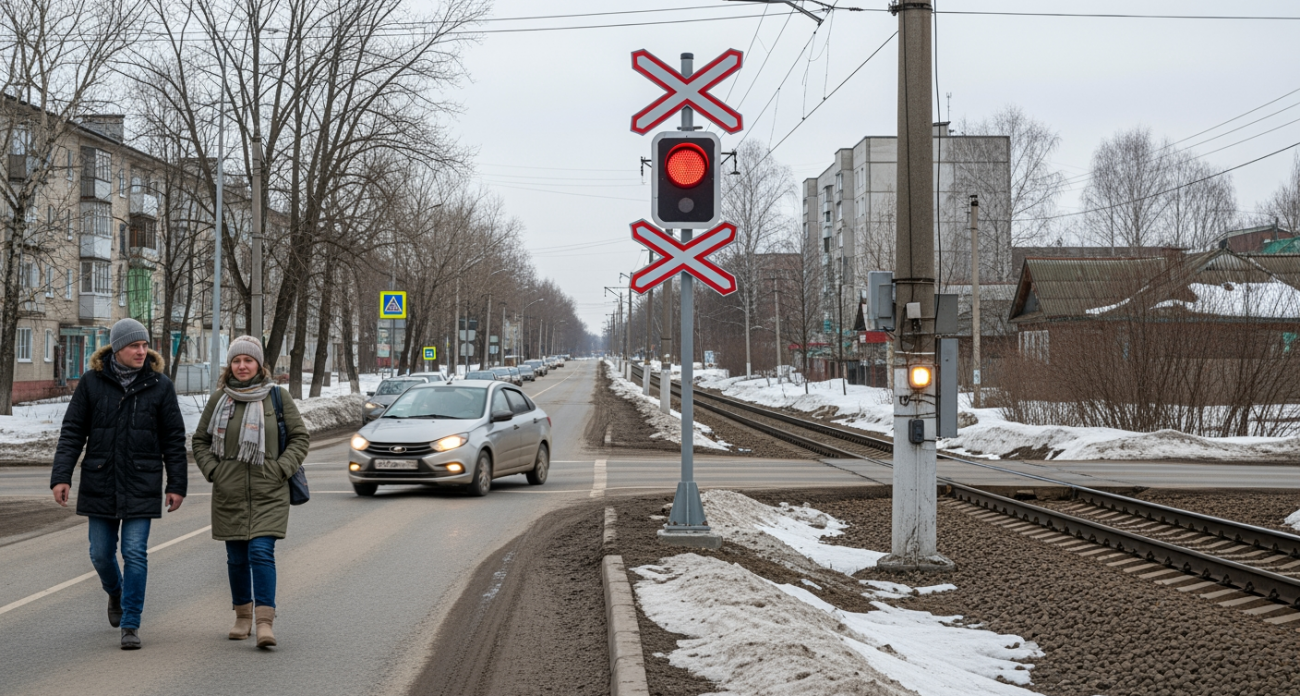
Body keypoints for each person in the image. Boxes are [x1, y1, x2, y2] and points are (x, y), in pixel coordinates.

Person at [50, 318, 188, 650]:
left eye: (144, 345)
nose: (142, 351)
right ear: (117, 348)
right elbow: (72, 432)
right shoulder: (91, 383)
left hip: (142, 481)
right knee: (100, 554)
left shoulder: (160, 385)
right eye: (134, 346)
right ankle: (115, 591)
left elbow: (173, 439)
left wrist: (177, 484)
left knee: (135, 553)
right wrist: (61, 476)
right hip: (100, 479)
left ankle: (130, 623)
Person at [192, 336, 309, 649]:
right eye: (236, 361)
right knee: (236, 558)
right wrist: (214, 471)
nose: (242, 366)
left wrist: (281, 469)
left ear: (259, 364)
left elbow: (299, 438)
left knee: (260, 552)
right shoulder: (219, 399)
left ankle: (264, 623)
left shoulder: (277, 397)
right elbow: (200, 441)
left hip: (269, 490)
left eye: (248, 360)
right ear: (229, 365)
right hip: (229, 492)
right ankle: (242, 617)